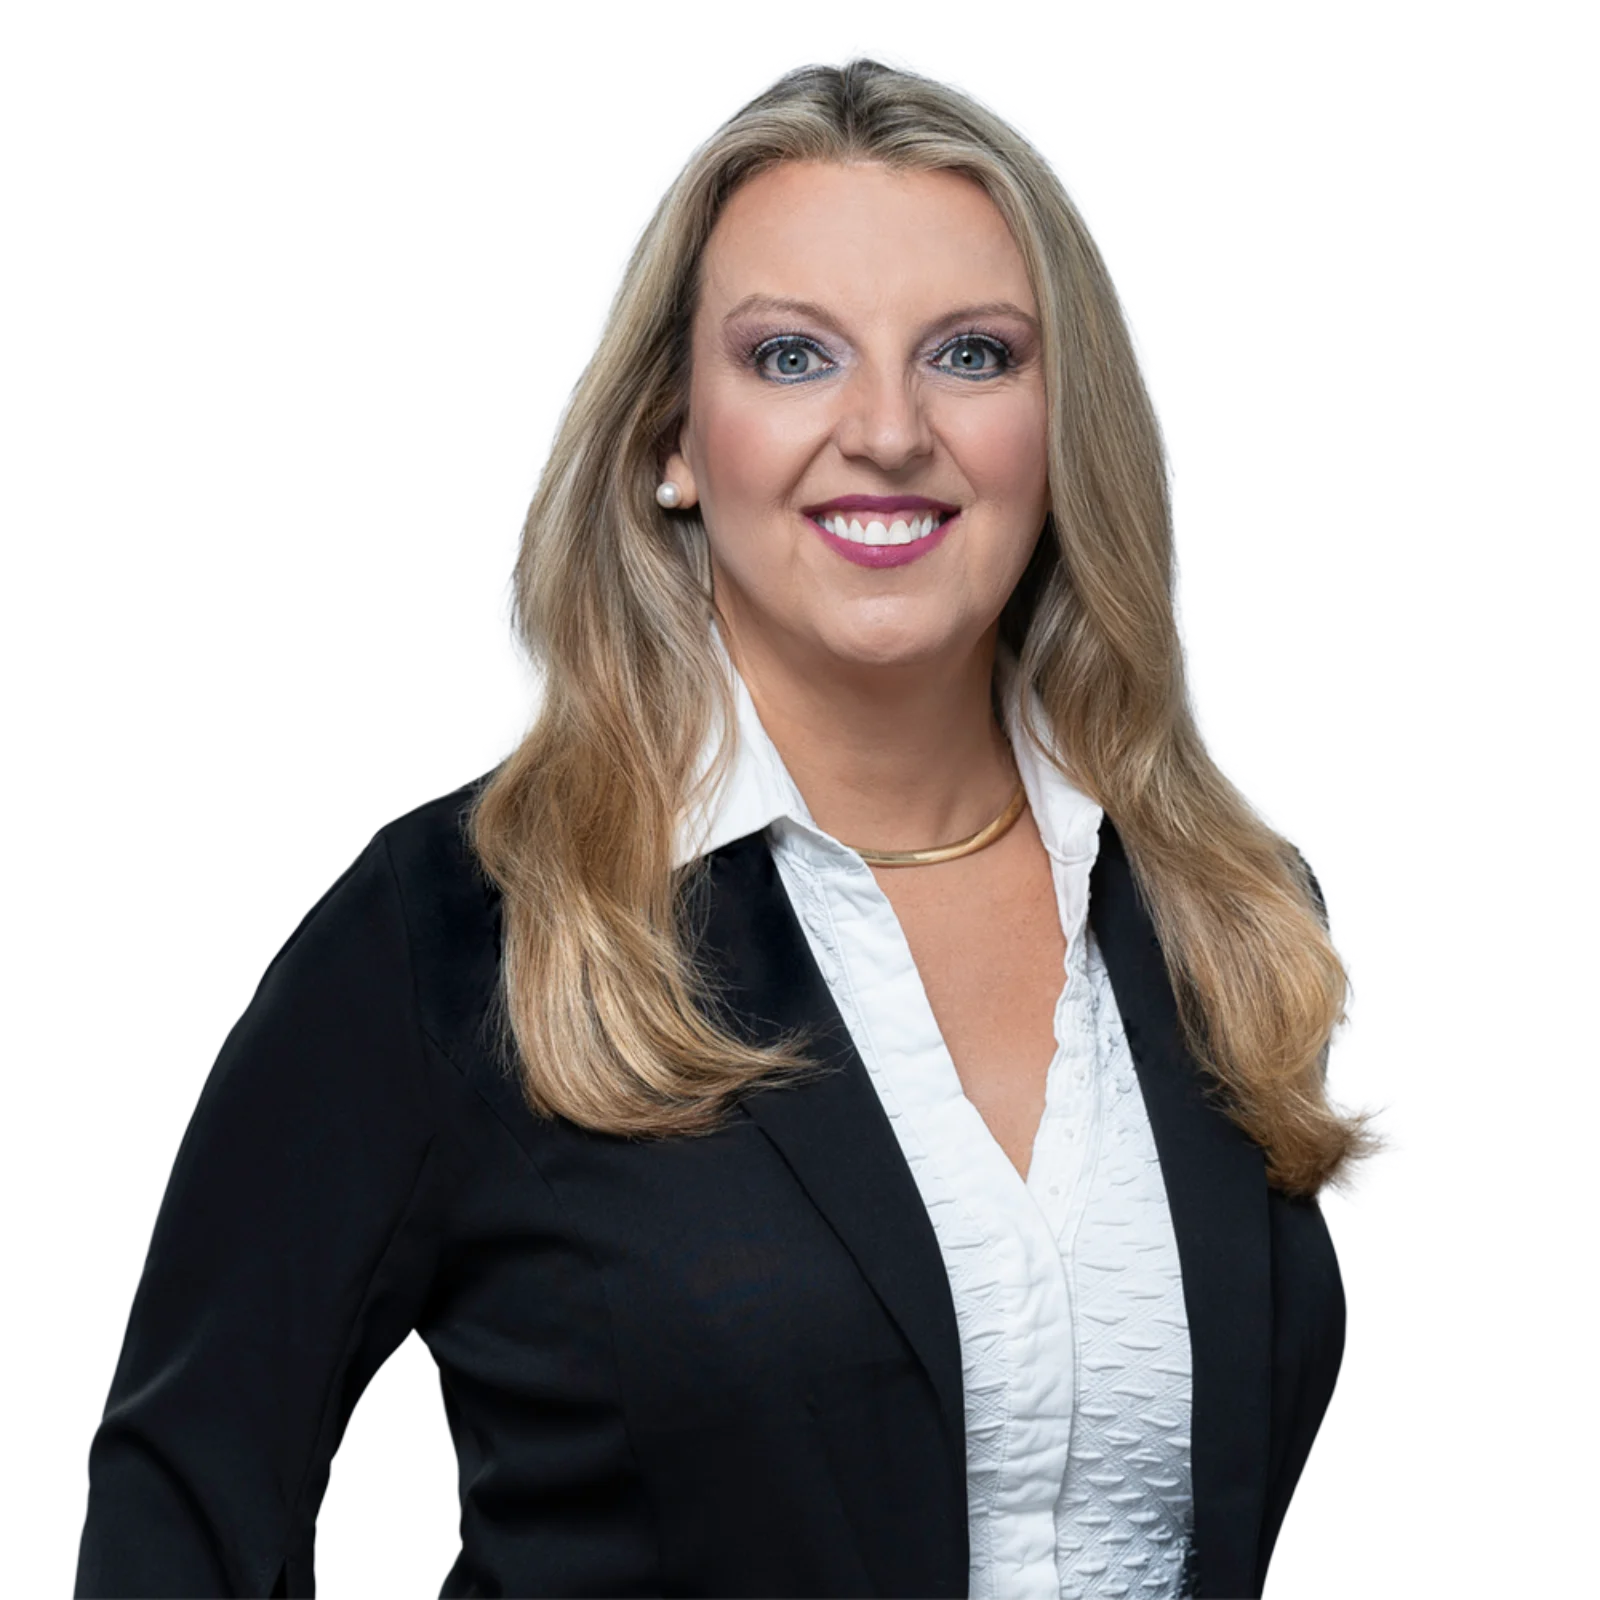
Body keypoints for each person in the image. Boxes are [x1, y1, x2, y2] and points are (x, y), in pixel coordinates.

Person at [73, 46, 1401, 1600]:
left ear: (1063, 430)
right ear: (672, 441)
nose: (891, 431)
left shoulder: (1222, 910)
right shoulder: (468, 926)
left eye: (972, 355)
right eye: (792, 359)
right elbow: (183, 1513)